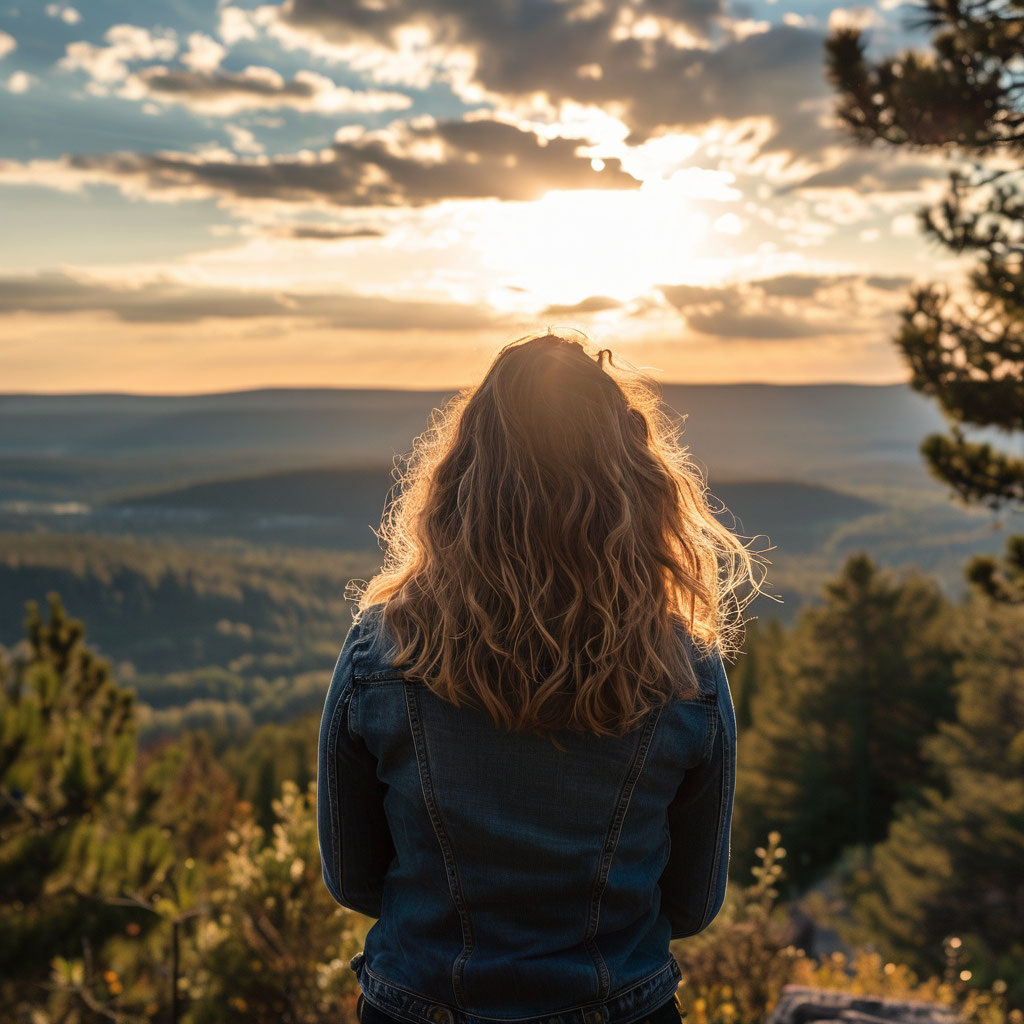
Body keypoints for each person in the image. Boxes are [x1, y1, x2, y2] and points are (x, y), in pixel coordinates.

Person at [317, 332, 767, 1024]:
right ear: (634, 482)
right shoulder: (681, 667)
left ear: (461, 476)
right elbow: (691, 902)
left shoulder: (384, 650)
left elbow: (352, 878)